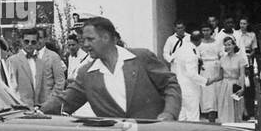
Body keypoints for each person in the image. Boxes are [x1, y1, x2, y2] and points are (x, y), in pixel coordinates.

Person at [41, 16, 179, 120]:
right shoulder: (86, 74)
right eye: (84, 40)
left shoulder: (142, 57)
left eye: (90, 39)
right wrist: (39, 113)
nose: (85, 44)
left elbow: (170, 85)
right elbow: (64, 101)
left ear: (106, 37)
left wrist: (169, 113)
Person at [11, 28, 64, 106]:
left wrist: (49, 102)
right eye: (26, 41)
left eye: (33, 42)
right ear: (21, 41)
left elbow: (60, 82)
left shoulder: (40, 61)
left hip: (41, 107)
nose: (29, 44)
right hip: (21, 108)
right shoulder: (12, 60)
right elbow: (11, 87)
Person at [209, 34, 245, 123]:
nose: (227, 47)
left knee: (236, 109)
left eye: (229, 44)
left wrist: (242, 88)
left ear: (234, 45)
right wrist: (210, 80)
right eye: (225, 45)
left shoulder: (240, 58)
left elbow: (242, 75)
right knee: (224, 107)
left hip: (235, 85)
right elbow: (220, 76)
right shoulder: (222, 59)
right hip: (224, 86)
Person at [193, 24, 222, 121]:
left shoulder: (217, 42)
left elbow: (221, 54)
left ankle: (214, 112)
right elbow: (196, 55)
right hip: (204, 68)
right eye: (204, 30)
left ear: (211, 31)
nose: (206, 32)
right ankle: (208, 111)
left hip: (215, 67)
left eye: (207, 30)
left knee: (215, 90)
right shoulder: (199, 43)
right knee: (206, 91)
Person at [173, 31, 203, 122]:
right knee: (193, 115)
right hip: (190, 87)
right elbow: (191, 74)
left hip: (180, 85)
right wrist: (206, 81)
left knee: (182, 115)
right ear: (200, 40)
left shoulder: (181, 49)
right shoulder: (191, 53)